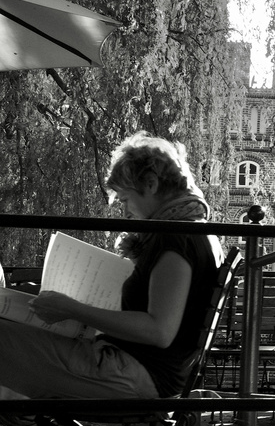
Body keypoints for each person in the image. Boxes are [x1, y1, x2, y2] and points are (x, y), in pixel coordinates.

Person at [0, 133, 222, 400]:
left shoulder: (175, 237)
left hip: (133, 376)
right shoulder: (196, 232)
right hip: (143, 372)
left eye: (126, 199)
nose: (126, 211)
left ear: (150, 184)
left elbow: (159, 331)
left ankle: (16, 418)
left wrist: (72, 309)